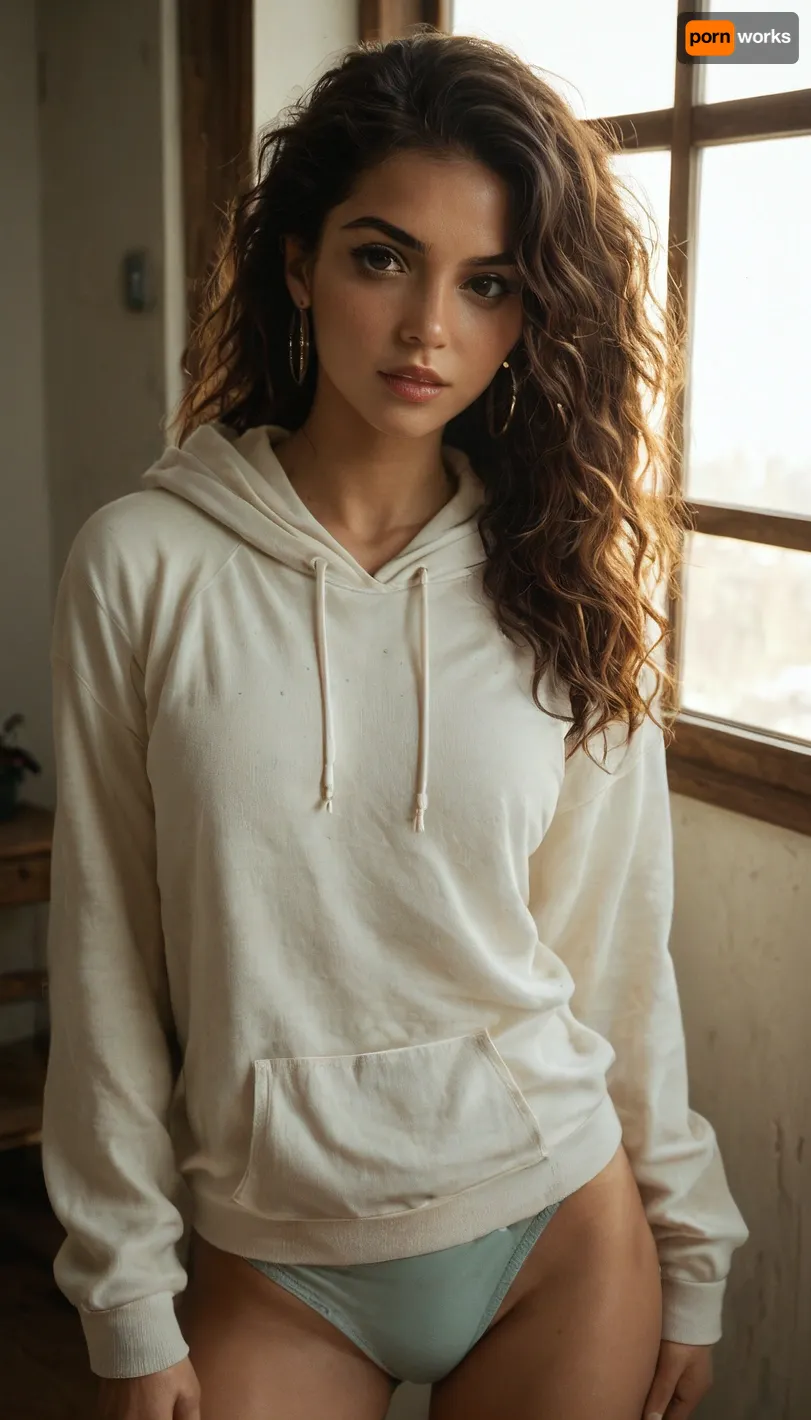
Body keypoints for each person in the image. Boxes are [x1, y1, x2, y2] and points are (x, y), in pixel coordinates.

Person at [41, 28, 748, 1420]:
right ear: (298, 265)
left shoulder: (563, 584)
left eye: (486, 284)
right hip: (275, 1254)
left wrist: (690, 1248)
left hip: (555, 1229)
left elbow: (613, 955)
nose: (430, 327)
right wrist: (125, 1298)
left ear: (530, 315)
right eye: (383, 258)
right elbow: (104, 948)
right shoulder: (141, 564)